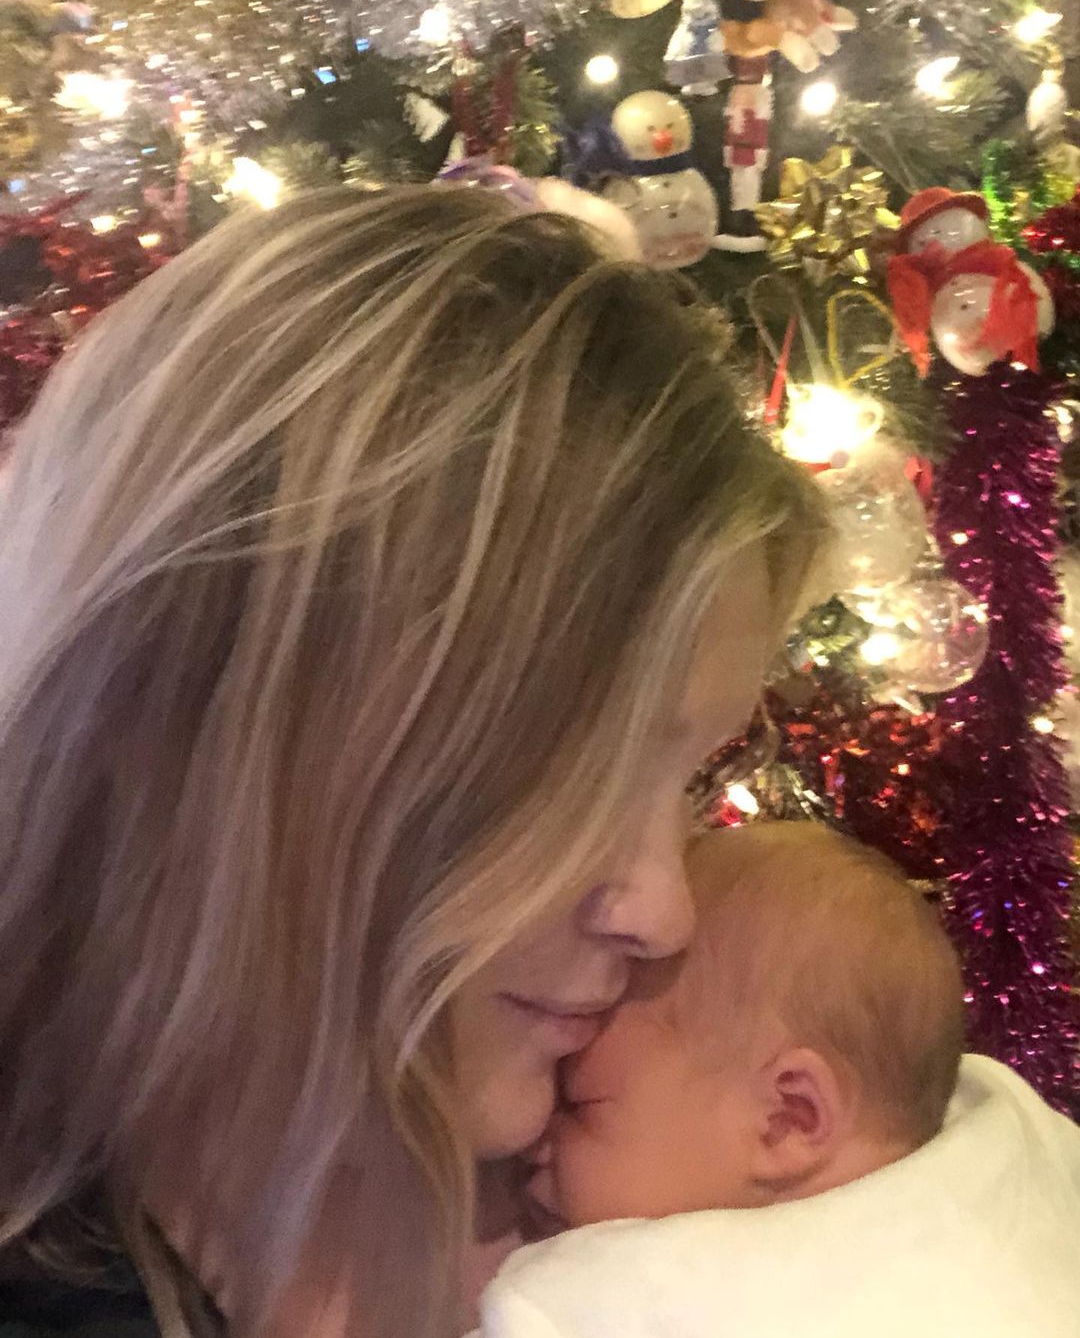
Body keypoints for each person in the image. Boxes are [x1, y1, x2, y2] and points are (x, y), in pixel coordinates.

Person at [0, 184, 827, 1338]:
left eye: (688, 778)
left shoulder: (615, 1187)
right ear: (220, 728)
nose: (666, 911)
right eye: (569, 769)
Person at [480, 822, 1080, 1337]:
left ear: (787, 1117)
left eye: (580, 1104)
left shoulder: (619, 1294)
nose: (536, 1140)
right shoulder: (1014, 1156)